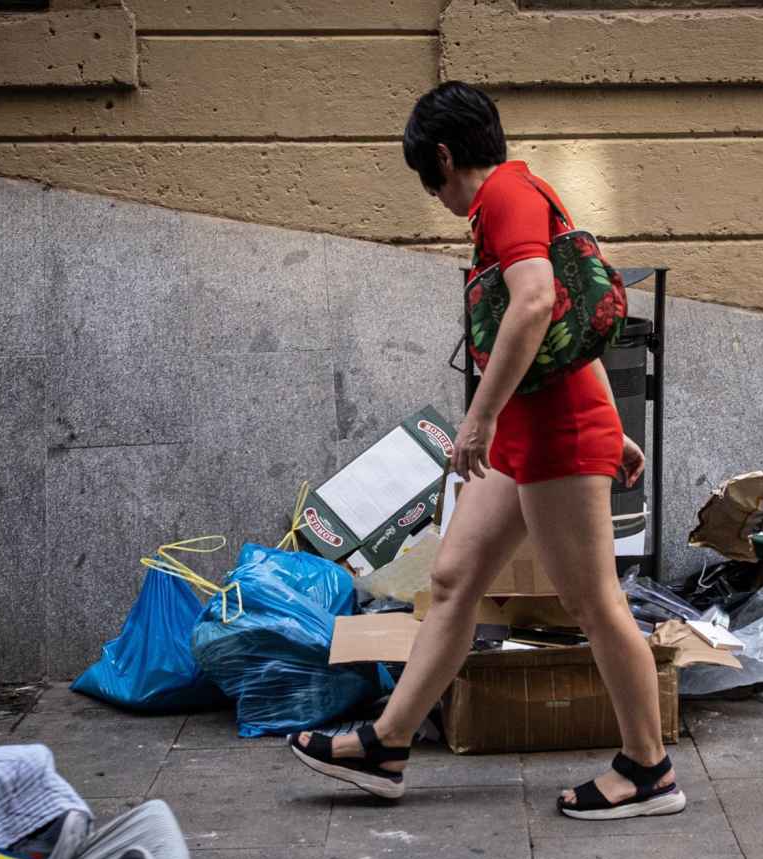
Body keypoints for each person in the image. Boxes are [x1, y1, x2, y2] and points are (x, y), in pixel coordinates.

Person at [289, 81, 683, 821]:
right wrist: (607, 420)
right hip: (538, 432)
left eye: (425, 176)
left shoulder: (504, 197)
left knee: (592, 603)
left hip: (551, 437)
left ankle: (649, 768)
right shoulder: (521, 194)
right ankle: (387, 745)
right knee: (455, 573)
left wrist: (478, 418)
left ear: (442, 156)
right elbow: (569, 323)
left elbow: (535, 301)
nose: (431, 194)